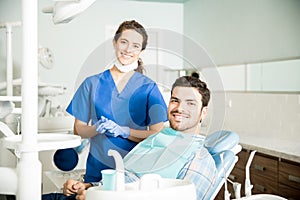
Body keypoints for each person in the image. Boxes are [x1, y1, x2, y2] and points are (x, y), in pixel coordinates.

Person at [42, 20, 168, 200]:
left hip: (133, 177)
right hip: (97, 173)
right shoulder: (91, 84)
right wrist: (96, 128)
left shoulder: (148, 88)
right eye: (123, 42)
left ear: (141, 50)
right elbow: (79, 129)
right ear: (115, 42)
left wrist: (124, 132)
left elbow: (157, 134)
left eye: (135, 45)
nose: (128, 49)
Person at [56, 76, 217, 200]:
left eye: (190, 103)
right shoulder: (157, 139)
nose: (179, 108)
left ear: (203, 112)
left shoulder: (199, 159)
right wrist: (88, 187)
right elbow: (126, 180)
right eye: (175, 101)